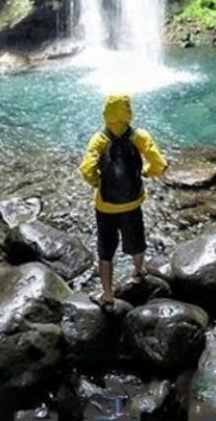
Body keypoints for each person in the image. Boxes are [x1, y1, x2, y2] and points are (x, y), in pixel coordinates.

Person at [79, 93, 167, 309]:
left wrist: (97, 182)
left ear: (106, 113)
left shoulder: (99, 139)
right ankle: (138, 270)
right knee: (136, 237)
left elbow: (86, 169)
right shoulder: (140, 136)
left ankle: (107, 294)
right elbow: (160, 164)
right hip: (133, 202)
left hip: (105, 205)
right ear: (128, 111)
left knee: (105, 249)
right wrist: (146, 172)